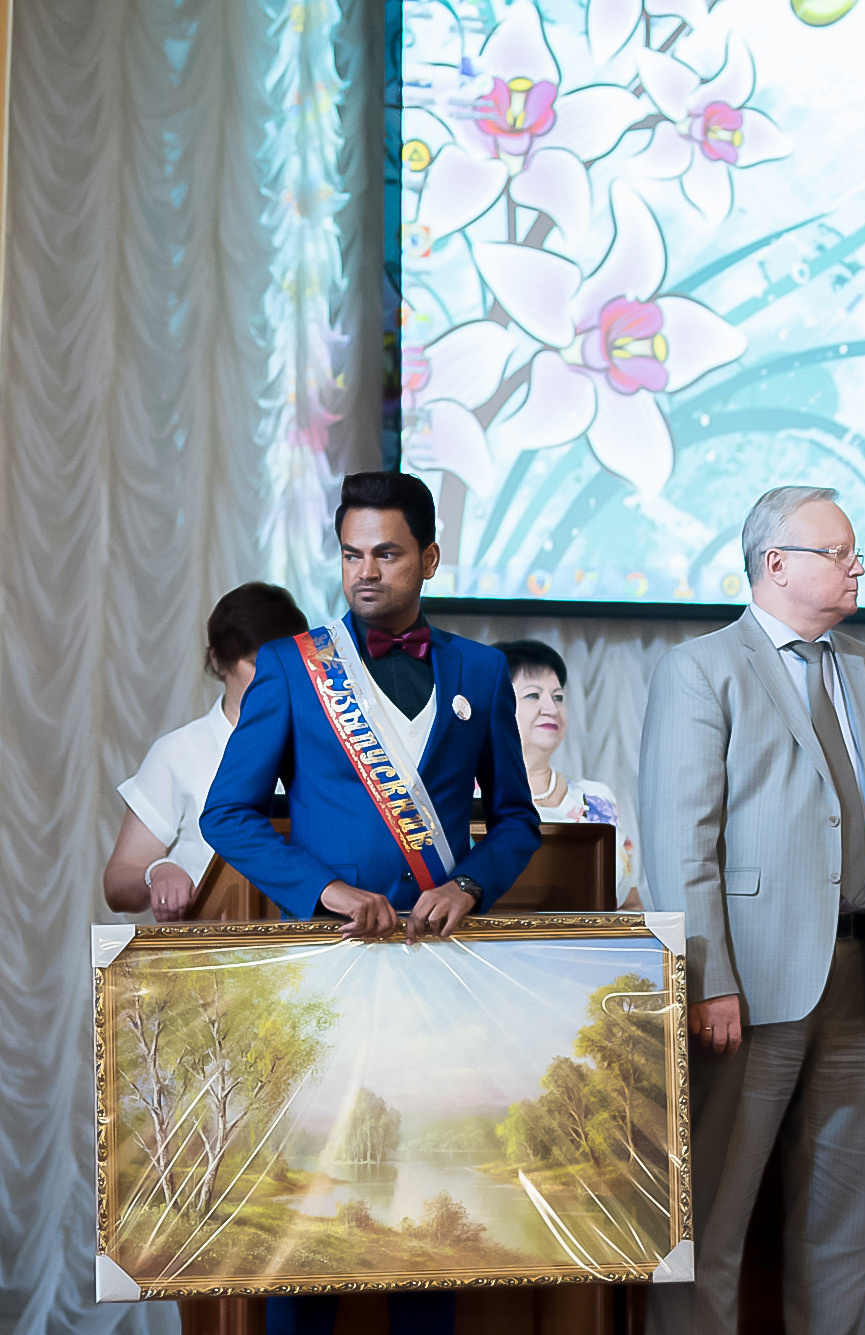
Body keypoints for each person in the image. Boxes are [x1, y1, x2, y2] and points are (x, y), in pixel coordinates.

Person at [202, 472, 540, 1335]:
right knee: (311, 1222)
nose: (365, 572)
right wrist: (322, 888)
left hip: (437, 982)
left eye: (386, 553)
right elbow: (227, 815)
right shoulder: (291, 667)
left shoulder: (481, 670)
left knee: (424, 1222)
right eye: (352, 554)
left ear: (428, 556)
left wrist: (469, 883)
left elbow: (513, 821)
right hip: (327, 979)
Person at [639, 485, 865, 1335]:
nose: (856, 568)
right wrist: (707, 978)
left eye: (856, 554)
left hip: (863, 978)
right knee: (710, 1221)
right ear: (775, 563)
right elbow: (679, 842)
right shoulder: (701, 668)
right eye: (839, 552)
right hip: (747, 983)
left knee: (843, 1225)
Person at [103, 583, 307, 920]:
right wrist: (159, 871)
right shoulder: (179, 752)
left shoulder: (325, 748)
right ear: (219, 661)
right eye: (256, 663)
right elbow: (117, 884)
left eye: (286, 664)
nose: (274, 679)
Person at [494, 638, 642, 907]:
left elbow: (629, 903)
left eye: (558, 697)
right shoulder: (462, 799)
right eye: (533, 695)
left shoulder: (597, 799)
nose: (551, 709)